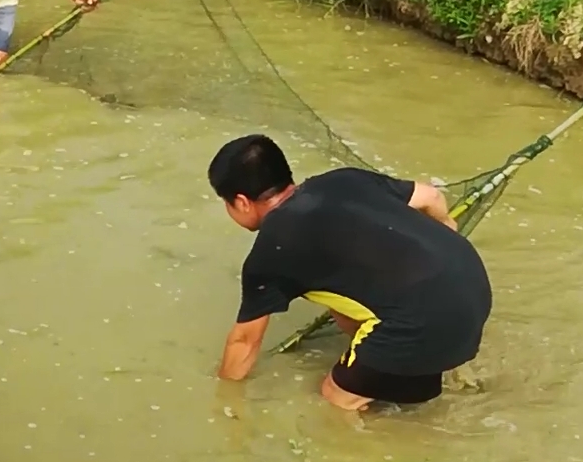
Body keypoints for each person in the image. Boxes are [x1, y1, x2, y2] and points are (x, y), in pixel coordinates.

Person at [208, 133, 492, 413]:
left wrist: (224, 400)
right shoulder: (344, 180)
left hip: (425, 322)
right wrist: (445, 224)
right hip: (473, 283)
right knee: (343, 300)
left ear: (242, 202)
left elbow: (244, 343)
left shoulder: (271, 251)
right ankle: (411, 372)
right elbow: (431, 197)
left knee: (334, 399)